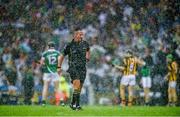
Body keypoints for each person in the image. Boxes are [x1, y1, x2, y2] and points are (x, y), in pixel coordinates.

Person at [58, 27, 90, 110]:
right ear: (75, 35)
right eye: (80, 34)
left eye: (82, 34)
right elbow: (61, 56)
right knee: (77, 84)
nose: (82, 36)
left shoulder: (85, 44)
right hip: (73, 67)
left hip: (83, 68)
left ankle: (73, 104)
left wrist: (87, 57)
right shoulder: (69, 45)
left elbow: (88, 50)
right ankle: (77, 105)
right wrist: (59, 67)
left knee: (80, 87)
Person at [40, 41, 61, 106]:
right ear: (54, 46)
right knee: (57, 88)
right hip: (55, 71)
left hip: (47, 71)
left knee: (45, 86)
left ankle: (43, 102)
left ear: (48, 46)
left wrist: (45, 64)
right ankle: (60, 102)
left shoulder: (45, 53)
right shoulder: (57, 53)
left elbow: (41, 63)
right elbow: (59, 63)